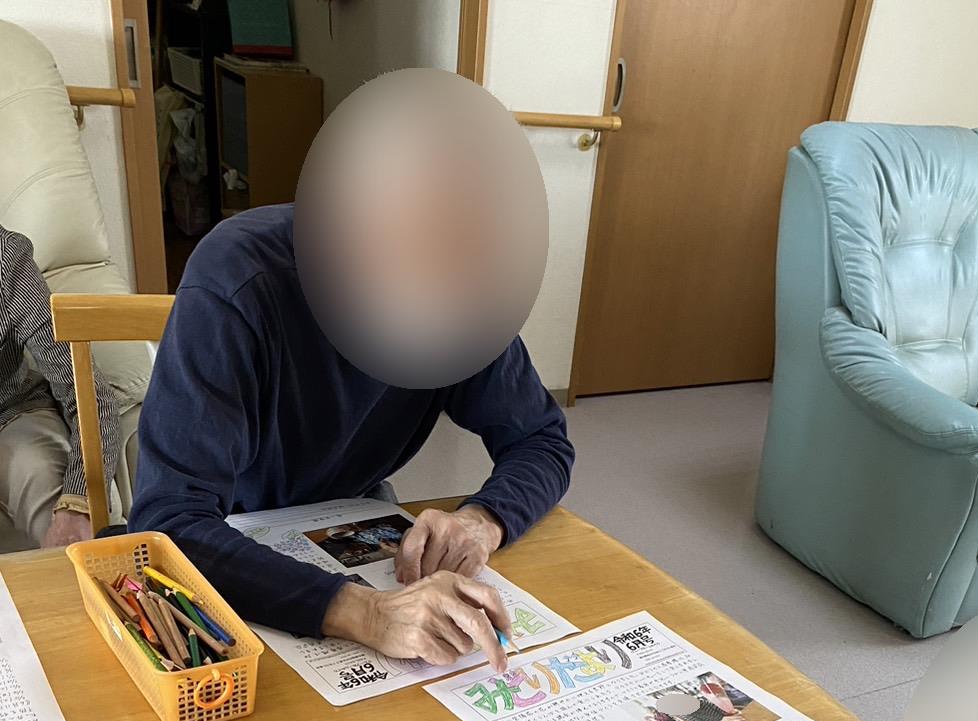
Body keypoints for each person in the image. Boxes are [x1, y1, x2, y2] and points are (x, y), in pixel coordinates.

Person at [129, 75, 571, 677]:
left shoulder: (463, 291)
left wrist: (482, 520)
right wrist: (366, 614)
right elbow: (168, 521)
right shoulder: (236, 278)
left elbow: (542, 440)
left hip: (355, 518)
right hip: (229, 525)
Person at [0, 225, 120, 549]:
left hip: (11, 414)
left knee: (38, 468)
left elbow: (85, 390)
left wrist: (78, 502)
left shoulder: (5, 257)